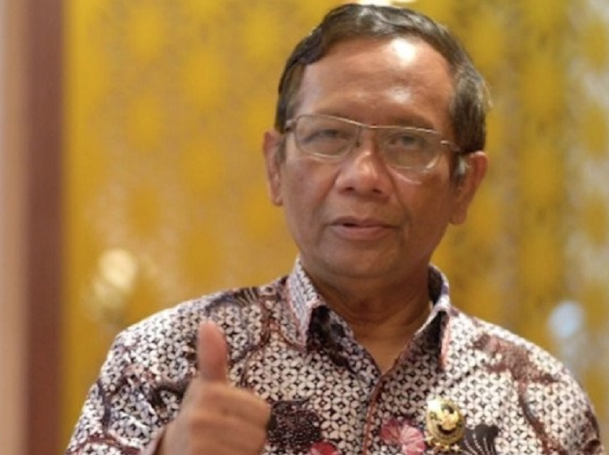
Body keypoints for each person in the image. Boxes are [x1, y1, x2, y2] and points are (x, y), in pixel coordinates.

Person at [65, 3, 605, 455]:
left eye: (408, 142)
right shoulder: (160, 362)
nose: (363, 177)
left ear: (464, 184)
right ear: (276, 167)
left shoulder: (541, 398)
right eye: (328, 136)